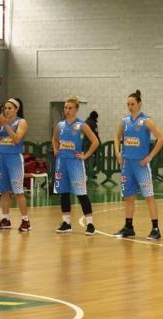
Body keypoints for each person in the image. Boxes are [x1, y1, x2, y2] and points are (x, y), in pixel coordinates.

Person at [113, 90, 163, 240]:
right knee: (129, 197)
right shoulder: (125, 121)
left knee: (149, 196)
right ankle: (129, 227)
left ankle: (155, 228)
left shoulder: (146, 121)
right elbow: (116, 137)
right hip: (127, 164)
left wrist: (150, 156)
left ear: (139, 104)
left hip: (141, 165)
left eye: (132, 104)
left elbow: (161, 138)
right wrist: (117, 152)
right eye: (128, 104)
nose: (130, 106)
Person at [52, 96, 100, 235]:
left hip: (75, 163)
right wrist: (55, 149)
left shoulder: (82, 125)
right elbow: (54, 139)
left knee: (81, 194)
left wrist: (85, 155)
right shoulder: (60, 125)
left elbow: (95, 141)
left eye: (70, 108)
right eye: (65, 108)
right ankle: (66, 223)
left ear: (76, 109)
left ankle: (90, 224)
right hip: (62, 162)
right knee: (64, 193)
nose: (67, 110)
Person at [0, 98, 31, 232]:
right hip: (2, 158)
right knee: (4, 191)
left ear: (16, 109)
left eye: (10, 108)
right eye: (5, 108)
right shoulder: (1, 123)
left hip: (14, 159)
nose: (6, 110)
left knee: (18, 191)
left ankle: (25, 221)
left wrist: (6, 124)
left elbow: (17, 138)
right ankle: (5, 219)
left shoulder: (21, 122)